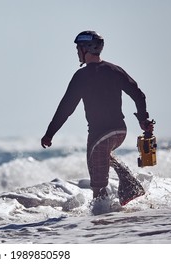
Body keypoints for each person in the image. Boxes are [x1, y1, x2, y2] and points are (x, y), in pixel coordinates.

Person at [41, 30, 154, 206]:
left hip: (99, 135)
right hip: (119, 132)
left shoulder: (82, 76)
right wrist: (143, 119)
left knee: (98, 188)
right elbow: (138, 94)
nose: (77, 53)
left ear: (86, 49)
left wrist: (49, 134)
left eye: (78, 48)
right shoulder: (115, 70)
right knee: (103, 157)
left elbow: (66, 108)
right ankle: (129, 185)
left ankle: (100, 224)